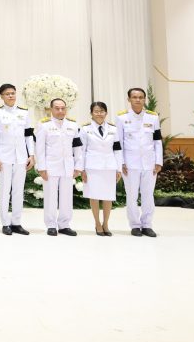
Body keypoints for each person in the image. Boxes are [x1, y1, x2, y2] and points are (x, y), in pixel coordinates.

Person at [0, 83, 35, 235]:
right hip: (4, 157)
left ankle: (16, 223)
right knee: (4, 191)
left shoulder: (24, 112)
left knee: (19, 191)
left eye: (13, 93)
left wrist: (31, 155)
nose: (11, 96)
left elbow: (28, 135)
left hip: (21, 157)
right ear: (2, 96)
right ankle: (5, 223)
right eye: (7, 94)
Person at [116, 87, 163, 237]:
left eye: (141, 97)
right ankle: (135, 225)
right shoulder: (121, 118)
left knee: (148, 195)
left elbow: (157, 141)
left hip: (149, 163)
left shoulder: (153, 117)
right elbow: (118, 143)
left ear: (144, 99)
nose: (138, 100)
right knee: (131, 196)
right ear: (129, 99)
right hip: (130, 164)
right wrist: (121, 162)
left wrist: (158, 161)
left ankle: (147, 224)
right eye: (134, 97)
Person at [35, 98, 84, 236]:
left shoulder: (73, 125)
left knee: (67, 197)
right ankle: (51, 225)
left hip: (68, 166)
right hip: (50, 166)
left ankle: (64, 225)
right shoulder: (44, 125)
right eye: (57, 108)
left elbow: (77, 147)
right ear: (51, 109)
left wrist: (78, 166)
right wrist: (42, 167)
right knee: (50, 196)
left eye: (63, 108)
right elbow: (39, 148)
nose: (60, 111)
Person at [81, 101, 123, 236]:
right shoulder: (85, 129)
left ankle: (106, 224)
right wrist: (82, 169)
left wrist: (119, 169)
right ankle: (97, 223)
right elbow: (81, 151)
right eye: (96, 111)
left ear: (106, 113)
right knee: (94, 196)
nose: (99, 114)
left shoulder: (113, 129)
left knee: (108, 196)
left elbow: (117, 150)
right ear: (91, 113)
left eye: (102, 111)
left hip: (109, 167)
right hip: (92, 167)